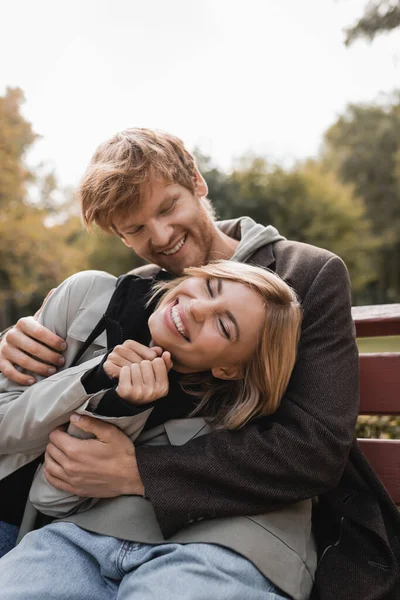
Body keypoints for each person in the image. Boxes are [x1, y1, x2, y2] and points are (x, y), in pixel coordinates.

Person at [0, 128, 399, 600]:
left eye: (168, 208)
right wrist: (11, 343)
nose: (162, 236)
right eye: (136, 229)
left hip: (231, 533)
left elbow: (314, 447)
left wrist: (139, 471)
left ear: (196, 180)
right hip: (90, 525)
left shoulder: (304, 274)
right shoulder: (136, 292)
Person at [1, 260, 302, 523]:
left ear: (229, 369)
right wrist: (95, 378)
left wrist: (118, 407)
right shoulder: (86, 294)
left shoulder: (204, 426)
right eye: (210, 287)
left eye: (223, 326)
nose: (196, 308)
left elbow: (50, 499)